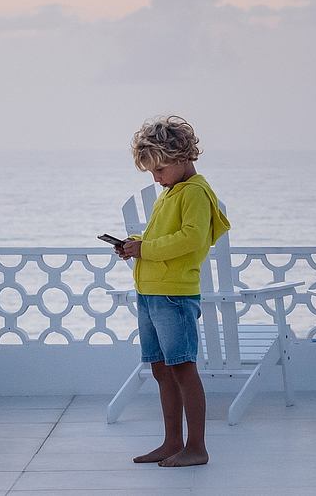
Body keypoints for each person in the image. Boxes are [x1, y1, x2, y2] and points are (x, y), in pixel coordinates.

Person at [116, 115, 230, 467]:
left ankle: (197, 447)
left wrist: (145, 250)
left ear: (182, 158)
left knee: (182, 368)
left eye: (160, 170)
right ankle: (171, 442)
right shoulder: (172, 192)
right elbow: (160, 238)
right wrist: (136, 244)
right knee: (161, 369)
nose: (156, 178)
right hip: (150, 292)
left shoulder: (194, 192)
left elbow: (192, 238)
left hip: (173, 295)